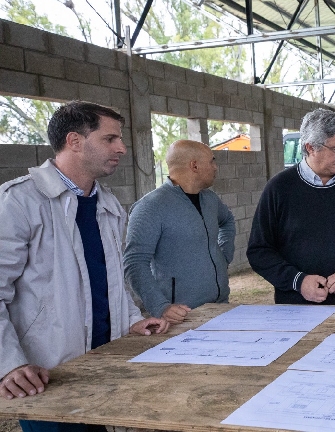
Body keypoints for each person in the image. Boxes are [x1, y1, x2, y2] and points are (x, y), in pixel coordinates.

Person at [0, 101, 169, 429]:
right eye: (110, 139)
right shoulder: (19, 202)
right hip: (47, 375)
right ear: (74, 141)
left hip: (104, 364)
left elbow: (110, 279)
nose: (121, 148)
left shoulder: (107, 203)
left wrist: (131, 321)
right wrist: (9, 364)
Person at [247, 108, 335, 305]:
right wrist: (298, 281)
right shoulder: (279, 188)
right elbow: (259, 251)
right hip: (296, 306)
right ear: (310, 147)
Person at [124, 140, 235, 324]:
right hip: (182, 316)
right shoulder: (150, 207)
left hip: (221, 306)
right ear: (194, 166)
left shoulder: (210, 199)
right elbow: (134, 262)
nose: (215, 167)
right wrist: (160, 306)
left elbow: (228, 221)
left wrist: (224, 257)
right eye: (212, 161)